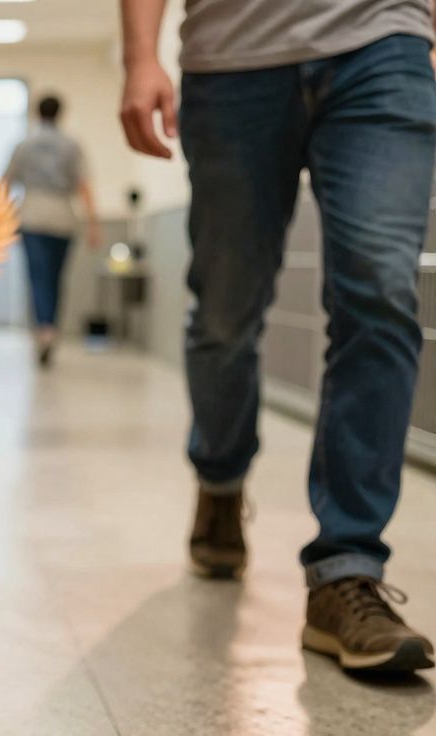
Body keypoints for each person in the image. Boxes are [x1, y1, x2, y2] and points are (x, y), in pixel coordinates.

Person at [119, 0, 436, 672]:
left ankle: (346, 568)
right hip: (234, 59)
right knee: (225, 316)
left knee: (379, 293)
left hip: (383, 39)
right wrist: (139, 55)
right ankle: (221, 475)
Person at [2, 94, 102, 368]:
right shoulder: (72, 145)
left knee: (37, 277)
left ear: (37, 113)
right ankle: (52, 329)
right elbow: (84, 186)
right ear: (61, 113)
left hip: (32, 214)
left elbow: (5, 184)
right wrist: (93, 223)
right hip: (63, 217)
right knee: (56, 278)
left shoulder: (24, 145)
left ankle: (43, 331)